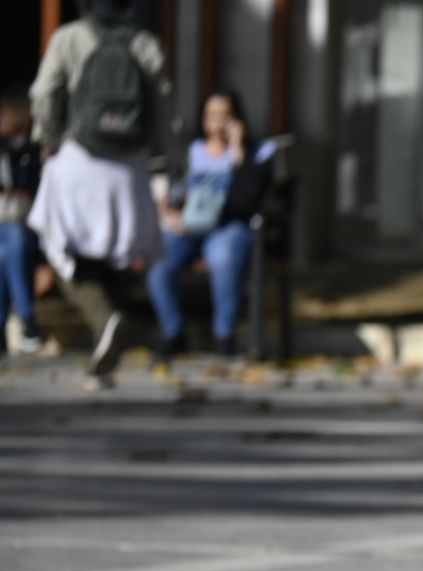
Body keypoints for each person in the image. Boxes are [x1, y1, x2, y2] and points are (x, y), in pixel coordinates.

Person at [29, 0, 178, 390]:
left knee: (60, 250)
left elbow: (45, 92)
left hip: (80, 155)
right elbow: (164, 109)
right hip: (129, 164)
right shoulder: (147, 43)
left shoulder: (69, 38)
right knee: (118, 254)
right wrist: (166, 161)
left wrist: (49, 138)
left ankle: (105, 321)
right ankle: (105, 358)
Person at [146, 89, 277, 361]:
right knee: (159, 262)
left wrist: (238, 153)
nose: (217, 122)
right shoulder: (190, 153)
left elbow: (247, 200)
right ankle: (174, 334)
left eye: (225, 116)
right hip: (190, 229)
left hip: (230, 226)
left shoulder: (256, 152)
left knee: (223, 257)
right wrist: (171, 214)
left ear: (238, 119)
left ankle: (224, 336)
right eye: (212, 115)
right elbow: (171, 192)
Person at [0, 87, 46, 358]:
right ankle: (27, 321)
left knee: (12, 242)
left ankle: (16, 322)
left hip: (27, 224)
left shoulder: (33, 151)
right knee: (4, 251)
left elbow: (32, 188)